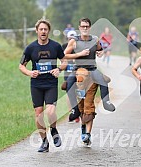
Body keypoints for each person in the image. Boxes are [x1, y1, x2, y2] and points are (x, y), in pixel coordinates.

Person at [64, 17, 115, 145]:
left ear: (90, 27)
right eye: (83, 26)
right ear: (79, 27)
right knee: (69, 84)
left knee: (103, 81)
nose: (85, 28)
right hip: (78, 69)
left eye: (87, 26)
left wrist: (100, 53)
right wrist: (79, 54)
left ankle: (106, 102)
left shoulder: (95, 39)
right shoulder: (74, 41)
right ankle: (75, 109)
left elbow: (100, 49)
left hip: (92, 69)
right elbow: (64, 54)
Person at [19, 18, 67, 152]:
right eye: (41, 29)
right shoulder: (31, 48)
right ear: (37, 31)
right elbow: (21, 66)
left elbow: (64, 62)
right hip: (36, 85)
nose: (43, 31)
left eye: (45, 29)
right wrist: (29, 72)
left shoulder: (55, 46)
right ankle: (44, 142)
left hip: (51, 83)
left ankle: (53, 129)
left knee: (51, 111)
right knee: (39, 114)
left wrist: (59, 69)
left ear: (49, 31)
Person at [61, 30, 80, 123]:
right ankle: (72, 112)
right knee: (69, 94)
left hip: (78, 72)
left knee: (79, 93)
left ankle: (80, 110)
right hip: (68, 72)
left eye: (73, 38)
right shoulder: (64, 46)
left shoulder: (78, 46)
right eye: (70, 38)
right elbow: (62, 58)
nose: (71, 40)